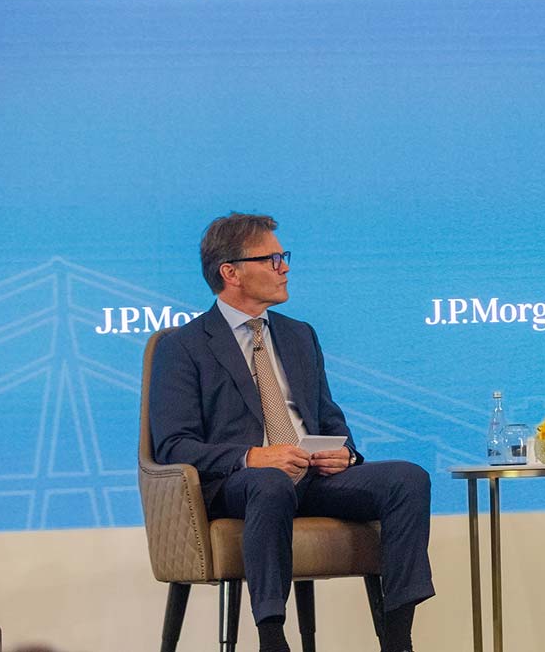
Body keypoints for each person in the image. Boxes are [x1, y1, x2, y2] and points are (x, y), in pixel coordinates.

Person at [150, 213, 434, 652]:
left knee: (407, 479)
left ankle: (398, 637)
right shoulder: (183, 346)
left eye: (283, 257)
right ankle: (271, 637)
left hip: (312, 475)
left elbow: (329, 417)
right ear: (231, 273)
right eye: (272, 258)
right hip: (241, 483)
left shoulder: (300, 336)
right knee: (270, 483)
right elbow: (172, 446)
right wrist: (252, 456)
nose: (284, 267)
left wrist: (345, 454)